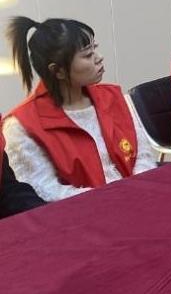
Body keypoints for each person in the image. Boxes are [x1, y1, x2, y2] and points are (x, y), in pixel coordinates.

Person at [4, 17, 156, 201]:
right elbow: (46, 189)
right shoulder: (21, 125)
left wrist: (137, 189)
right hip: (83, 211)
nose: (99, 58)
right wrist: (111, 198)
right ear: (58, 71)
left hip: (139, 197)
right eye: (88, 55)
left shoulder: (112, 96)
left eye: (95, 49)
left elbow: (143, 155)